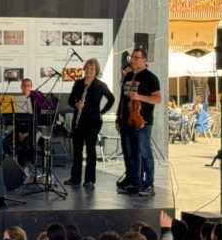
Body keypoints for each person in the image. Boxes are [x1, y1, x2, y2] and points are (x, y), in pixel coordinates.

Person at [116, 48, 161, 196]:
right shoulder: (128, 76)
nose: (133, 60)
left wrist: (139, 97)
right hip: (126, 121)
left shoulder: (150, 77)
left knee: (145, 152)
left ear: (144, 60)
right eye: (132, 58)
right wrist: (118, 118)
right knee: (131, 153)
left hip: (142, 121)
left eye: (136, 58)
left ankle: (149, 184)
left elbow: (158, 99)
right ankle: (135, 183)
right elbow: (123, 100)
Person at [64, 59, 115, 188]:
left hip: (93, 122)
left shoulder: (100, 85)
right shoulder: (78, 83)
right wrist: (76, 104)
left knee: (90, 150)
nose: (89, 70)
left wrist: (102, 112)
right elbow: (70, 100)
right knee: (77, 150)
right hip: (78, 121)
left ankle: (89, 180)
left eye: (92, 68)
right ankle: (75, 178)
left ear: (96, 71)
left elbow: (111, 99)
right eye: (87, 68)